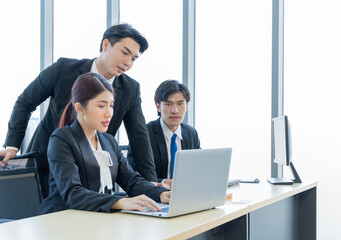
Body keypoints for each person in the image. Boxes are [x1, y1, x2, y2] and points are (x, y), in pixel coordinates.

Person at [0, 23, 157, 197]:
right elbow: (25, 102)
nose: (128, 63)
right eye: (125, 53)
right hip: (45, 164)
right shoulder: (63, 69)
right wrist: (12, 145)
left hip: (89, 177)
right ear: (105, 45)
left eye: (134, 58)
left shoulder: (130, 89)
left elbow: (139, 137)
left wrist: (151, 185)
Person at [38, 72, 170, 214]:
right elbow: (73, 194)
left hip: (96, 219)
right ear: (80, 108)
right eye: (101, 106)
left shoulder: (109, 141)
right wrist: (120, 202)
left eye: (111, 105)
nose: (109, 113)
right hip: (61, 221)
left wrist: (161, 194)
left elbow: (131, 180)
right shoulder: (61, 139)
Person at [127, 80, 200, 187]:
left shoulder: (191, 133)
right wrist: (166, 183)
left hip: (186, 194)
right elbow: (136, 176)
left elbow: (198, 169)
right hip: (153, 197)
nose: (175, 110)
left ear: (187, 106)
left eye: (180, 104)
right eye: (168, 104)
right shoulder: (143, 134)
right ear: (158, 106)